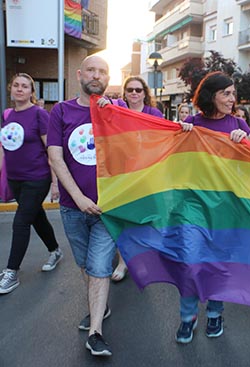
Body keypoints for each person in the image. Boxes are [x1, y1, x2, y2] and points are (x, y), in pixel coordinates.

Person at [177, 71, 250, 344]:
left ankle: (214, 313)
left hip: (226, 207)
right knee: (190, 261)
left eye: (233, 94)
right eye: (227, 93)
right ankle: (187, 317)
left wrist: (244, 141)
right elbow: (174, 160)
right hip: (194, 206)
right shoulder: (191, 123)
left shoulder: (238, 124)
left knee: (217, 264)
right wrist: (182, 136)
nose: (232, 99)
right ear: (211, 95)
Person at [47, 55, 117, 357]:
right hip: (72, 207)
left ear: (108, 78)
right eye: (91, 69)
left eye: (102, 72)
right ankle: (99, 306)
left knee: (100, 266)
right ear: (80, 74)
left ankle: (95, 332)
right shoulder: (61, 111)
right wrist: (78, 197)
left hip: (108, 209)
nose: (96, 75)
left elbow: (143, 139)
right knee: (86, 265)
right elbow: (56, 157)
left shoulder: (118, 110)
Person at [0, 73, 63, 295]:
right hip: (15, 177)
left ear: (31, 92)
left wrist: (56, 183)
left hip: (37, 177)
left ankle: (11, 272)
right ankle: (55, 250)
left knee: (21, 221)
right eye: (16, 85)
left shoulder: (39, 114)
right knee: (36, 216)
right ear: (11, 89)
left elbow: (51, 150)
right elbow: (4, 147)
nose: (19, 89)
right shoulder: (6, 115)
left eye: (24, 86)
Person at [110, 76, 162, 282]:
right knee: (123, 220)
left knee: (145, 222)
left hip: (147, 176)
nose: (134, 93)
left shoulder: (154, 113)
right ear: (125, 93)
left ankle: (142, 260)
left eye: (138, 90)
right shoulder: (117, 113)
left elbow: (165, 140)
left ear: (144, 93)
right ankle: (123, 262)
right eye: (130, 90)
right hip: (122, 176)